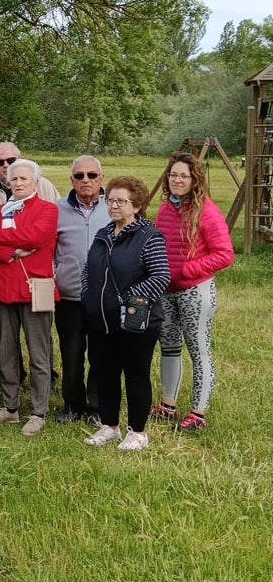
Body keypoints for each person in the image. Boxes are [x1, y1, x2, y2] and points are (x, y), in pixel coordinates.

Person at [82, 177, 170, 451]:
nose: (114, 206)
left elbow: (161, 275)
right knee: (104, 372)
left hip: (135, 321)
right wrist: (88, 294)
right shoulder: (103, 234)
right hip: (101, 319)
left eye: (121, 201)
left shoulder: (148, 236)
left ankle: (138, 432)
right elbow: (89, 270)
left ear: (138, 205)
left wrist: (129, 299)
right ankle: (109, 426)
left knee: (135, 374)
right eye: (110, 200)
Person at [151, 152, 235, 431]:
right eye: (173, 175)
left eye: (183, 176)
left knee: (198, 351)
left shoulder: (207, 210)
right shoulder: (165, 209)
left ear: (193, 179)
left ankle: (198, 412)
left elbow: (224, 254)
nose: (177, 180)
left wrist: (188, 270)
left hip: (194, 292)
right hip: (166, 291)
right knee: (169, 348)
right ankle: (168, 405)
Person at [0, 159, 58, 436]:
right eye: (15, 179)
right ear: (7, 182)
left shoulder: (48, 209)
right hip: (2, 289)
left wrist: (3, 237)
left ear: (36, 182)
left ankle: (38, 411)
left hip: (34, 288)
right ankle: (10, 407)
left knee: (38, 353)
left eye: (25, 178)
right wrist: (11, 250)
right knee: (6, 351)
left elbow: (37, 236)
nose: (19, 183)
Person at [52, 155, 108, 423]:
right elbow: (48, 248)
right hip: (69, 296)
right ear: (71, 179)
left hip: (102, 296)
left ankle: (96, 407)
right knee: (71, 354)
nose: (86, 180)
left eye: (91, 175)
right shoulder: (58, 209)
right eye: (79, 176)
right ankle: (72, 405)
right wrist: (55, 274)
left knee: (100, 354)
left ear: (101, 178)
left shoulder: (114, 206)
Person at [0, 141, 60, 208]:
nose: (6, 165)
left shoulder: (44, 185)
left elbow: (60, 214)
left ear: (20, 160)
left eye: (11, 160)